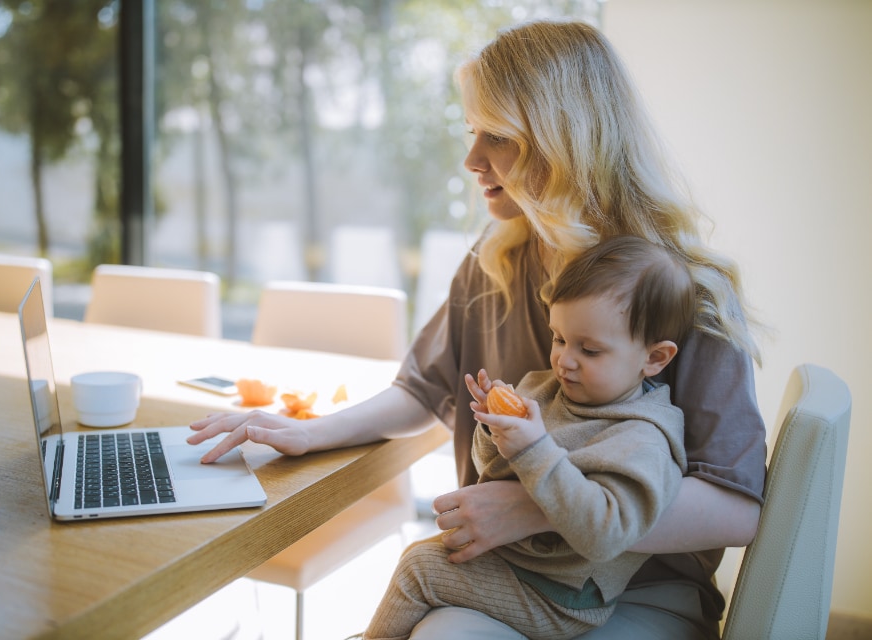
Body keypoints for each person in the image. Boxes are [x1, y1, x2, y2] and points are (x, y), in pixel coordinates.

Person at [188, 19, 766, 639]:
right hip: (511, 569)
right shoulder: (496, 259)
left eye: (498, 137)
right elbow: (423, 390)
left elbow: (735, 509)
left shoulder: (684, 292)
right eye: (472, 133)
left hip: (638, 591)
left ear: (564, 140)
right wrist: (312, 432)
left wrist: (536, 507)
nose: (471, 160)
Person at [361, 235, 694, 640]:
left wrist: (535, 449)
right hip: (519, 564)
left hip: (561, 596)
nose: (564, 361)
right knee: (422, 557)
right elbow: (496, 472)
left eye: (589, 350)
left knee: (419, 570)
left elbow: (606, 534)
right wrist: (495, 428)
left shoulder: (643, 437)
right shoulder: (547, 388)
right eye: (559, 338)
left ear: (655, 358)